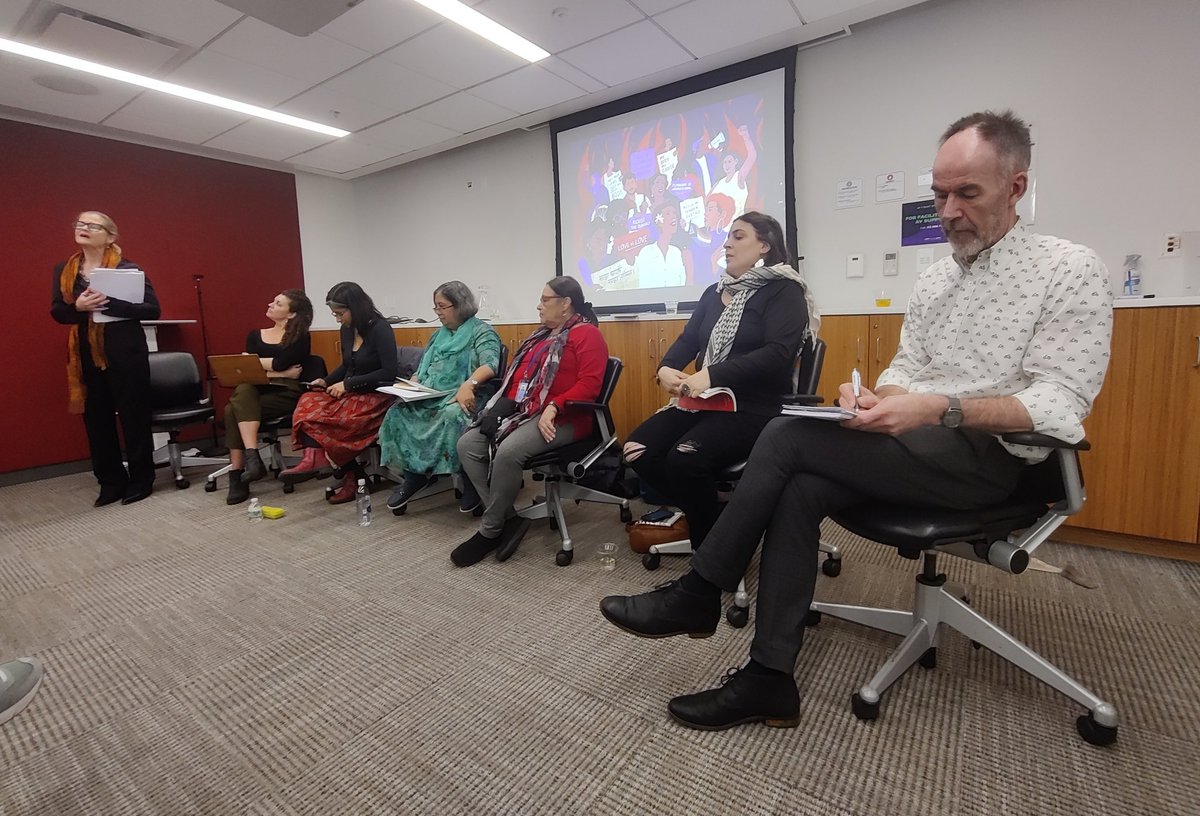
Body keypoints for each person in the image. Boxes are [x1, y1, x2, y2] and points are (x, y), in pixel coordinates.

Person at [599, 110, 1114, 732]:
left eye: (967, 194)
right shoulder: (933, 281)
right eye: (939, 193)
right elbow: (904, 369)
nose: (948, 210)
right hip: (917, 444)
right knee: (800, 484)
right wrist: (878, 399)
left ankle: (700, 592)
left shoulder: (1068, 268)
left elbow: (1062, 405)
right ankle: (768, 681)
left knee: (787, 435)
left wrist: (940, 408)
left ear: (1017, 187)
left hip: (996, 459)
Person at [623, 211, 818, 552]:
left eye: (739, 236)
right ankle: (719, 520)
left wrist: (711, 374)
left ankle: (710, 556)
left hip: (752, 406)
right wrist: (666, 368)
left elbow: (779, 354)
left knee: (684, 459)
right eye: (728, 236)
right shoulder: (715, 293)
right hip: (701, 402)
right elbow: (688, 340)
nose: (727, 243)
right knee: (637, 451)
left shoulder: (784, 290)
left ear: (765, 246)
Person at [453, 276, 608, 567]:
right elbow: (517, 382)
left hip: (568, 418)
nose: (539, 306)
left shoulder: (587, 335)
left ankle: (490, 530)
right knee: (468, 444)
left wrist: (553, 405)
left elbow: (590, 385)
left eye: (545, 300)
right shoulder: (538, 337)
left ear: (565, 304)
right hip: (526, 413)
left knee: (509, 452)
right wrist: (499, 410)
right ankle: (507, 518)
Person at [50, 211, 161, 507]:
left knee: (133, 417)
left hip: (126, 353)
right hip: (85, 356)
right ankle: (110, 482)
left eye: (91, 225)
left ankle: (141, 480)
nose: (82, 228)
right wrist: (80, 307)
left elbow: (152, 310)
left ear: (110, 236)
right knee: (97, 421)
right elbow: (58, 312)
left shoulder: (129, 269)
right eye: (79, 223)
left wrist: (107, 304)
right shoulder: (65, 270)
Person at [378, 281, 501, 514]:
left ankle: (470, 480)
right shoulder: (438, 336)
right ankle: (415, 475)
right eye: (436, 307)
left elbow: (490, 365)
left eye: (442, 307)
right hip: (432, 394)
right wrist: (412, 384)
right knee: (397, 413)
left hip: (468, 393)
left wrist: (469, 384)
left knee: (454, 415)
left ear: (460, 305)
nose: (438, 313)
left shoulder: (482, 332)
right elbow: (424, 367)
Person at [281, 282, 398, 503]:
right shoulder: (346, 329)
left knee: (330, 419)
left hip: (377, 396)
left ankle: (347, 473)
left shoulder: (380, 328)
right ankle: (327, 462)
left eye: (340, 313)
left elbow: (388, 372)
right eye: (334, 314)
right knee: (308, 401)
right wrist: (325, 381)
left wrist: (347, 385)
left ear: (356, 307)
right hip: (353, 392)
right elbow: (347, 366)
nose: (337, 318)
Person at [222, 290, 314, 505]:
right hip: (256, 388)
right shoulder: (255, 335)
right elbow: (249, 370)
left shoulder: (300, 336)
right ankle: (251, 459)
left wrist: (268, 368)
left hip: (286, 391)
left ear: (291, 314)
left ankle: (238, 475)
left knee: (233, 408)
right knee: (243, 391)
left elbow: (275, 363)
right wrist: (278, 370)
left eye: (278, 303)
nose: (270, 304)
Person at [683, 193, 734, 286]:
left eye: (710, 209)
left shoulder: (727, 239)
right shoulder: (695, 235)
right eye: (705, 209)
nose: (705, 213)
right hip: (691, 290)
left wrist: (714, 264)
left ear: (722, 214)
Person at [634, 201, 686, 288]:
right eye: (668, 213)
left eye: (674, 213)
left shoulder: (676, 252)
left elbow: (682, 282)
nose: (673, 216)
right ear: (658, 221)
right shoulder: (646, 252)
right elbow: (643, 284)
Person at [711, 125, 757, 221]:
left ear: (735, 162)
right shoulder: (719, 183)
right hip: (719, 230)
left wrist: (745, 136)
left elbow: (752, 156)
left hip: (737, 226)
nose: (727, 165)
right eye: (725, 162)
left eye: (729, 161)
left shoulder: (738, 176)